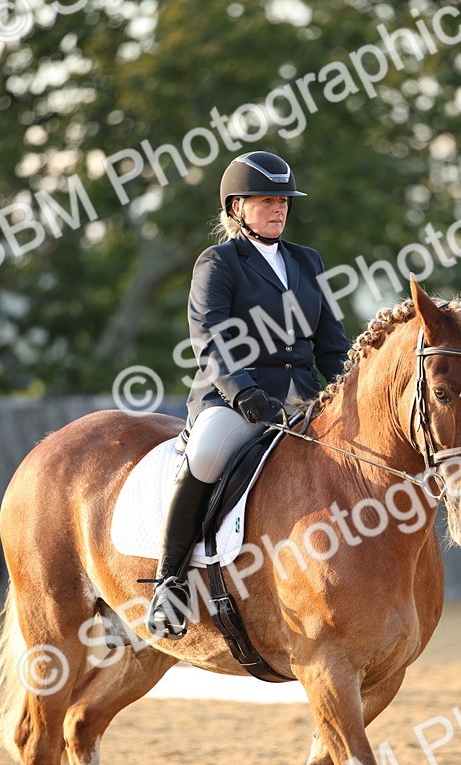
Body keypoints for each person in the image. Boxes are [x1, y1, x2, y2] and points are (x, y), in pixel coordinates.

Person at [145, 151, 351, 639]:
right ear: (237, 207)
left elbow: (332, 344)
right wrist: (245, 393)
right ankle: (169, 581)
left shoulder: (307, 261)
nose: (278, 210)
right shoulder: (218, 262)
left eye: (283, 202)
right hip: (235, 398)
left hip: (304, 398)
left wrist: (350, 391)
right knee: (206, 453)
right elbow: (209, 336)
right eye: (266, 201)